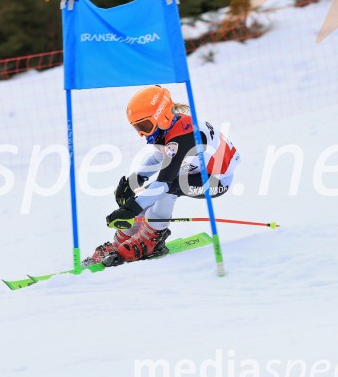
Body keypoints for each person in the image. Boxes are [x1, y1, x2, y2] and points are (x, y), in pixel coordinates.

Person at [88, 85, 240, 267]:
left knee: (170, 186)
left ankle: (151, 239)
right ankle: (128, 237)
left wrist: (131, 209)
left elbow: (164, 183)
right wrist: (133, 182)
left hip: (217, 179)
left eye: (145, 126)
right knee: (152, 190)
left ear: (163, 117)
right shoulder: (168, 129)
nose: (142, 133)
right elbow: (159, 157)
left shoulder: (183, 137)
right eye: (137, 127)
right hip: (195, 170)